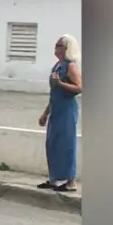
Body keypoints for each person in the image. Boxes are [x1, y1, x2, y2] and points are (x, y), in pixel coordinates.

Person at [38, 34, 82, 192]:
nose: (55, 48)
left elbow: (79, 87)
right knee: (52, 144)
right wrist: (45, 113)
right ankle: (55, 178)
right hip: (56, 108)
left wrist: (61, 84)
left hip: (66, 109)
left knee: (66, 144)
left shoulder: (70, 66)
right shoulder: (57, 65)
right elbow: (54, 93)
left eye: (59, 46)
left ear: (66, 48)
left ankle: (71, 181)